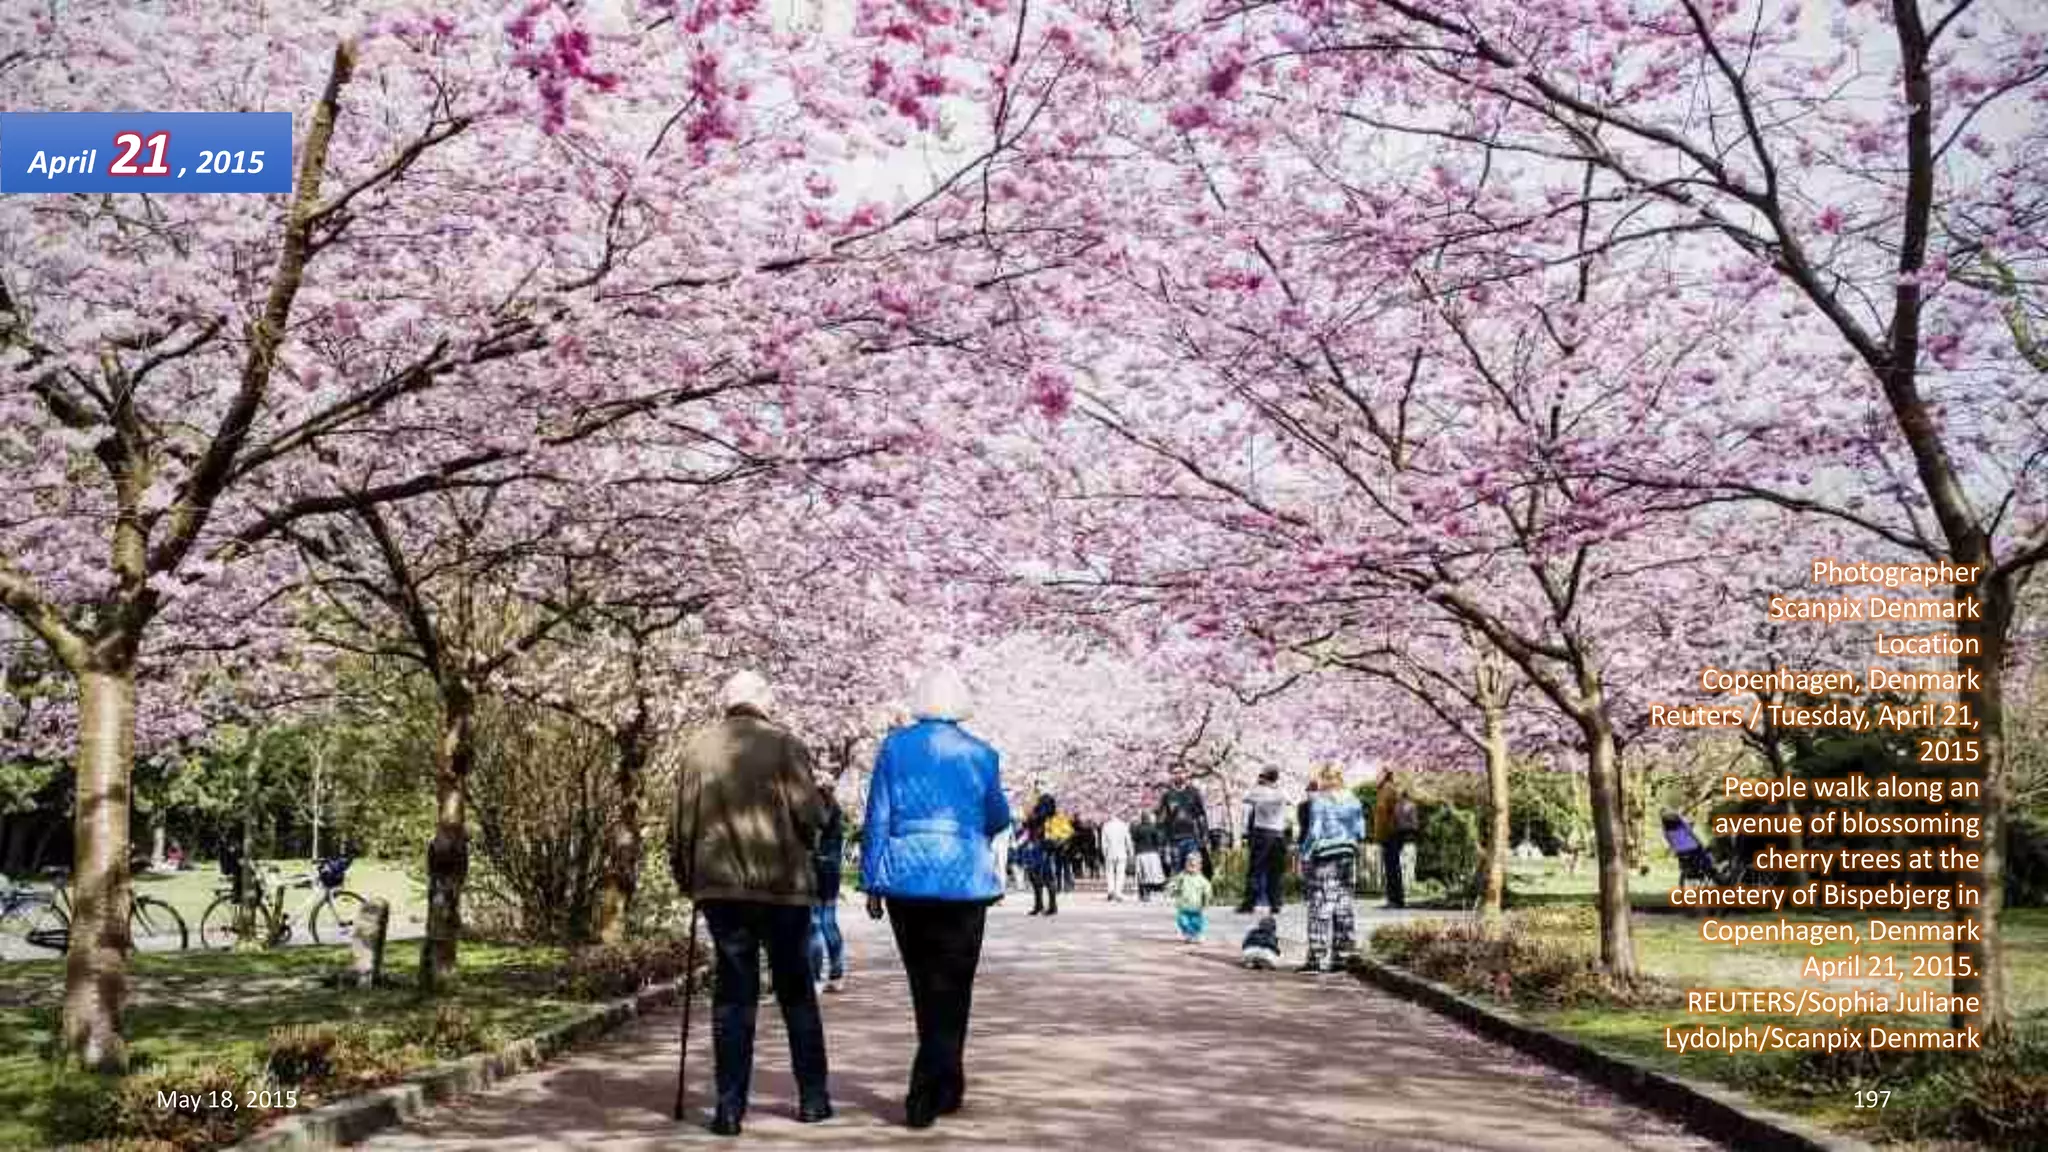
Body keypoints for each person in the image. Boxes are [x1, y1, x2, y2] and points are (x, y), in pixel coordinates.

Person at [668, 670, 832, 1136]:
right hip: (783, 889)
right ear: (762, 702)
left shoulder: (697, 748)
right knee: (795, 990)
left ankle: (729, 1109)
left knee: (733, 996)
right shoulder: (786, 745)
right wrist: (822, 805)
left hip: (721, 889)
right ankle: (814, 1100)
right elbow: (811, 817)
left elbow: (678, 826)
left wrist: (688, 879)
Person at [861, 666, 1011, 1130]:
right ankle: (930, 1089)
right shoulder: (982, 754)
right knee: (956, 985)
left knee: (924, 987)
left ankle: (944, 1079)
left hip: (906, 877)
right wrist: (969, 832)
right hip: (964, 880)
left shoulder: (893, 748)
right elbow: (998, 815)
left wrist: (871, 880)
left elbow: (877, 816)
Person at [1299, 763, 1365, 974]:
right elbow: (1360, 830)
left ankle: (1316, 958)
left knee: (1320, 905)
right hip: (1347, 855)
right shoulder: (1354, 801)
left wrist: (1305, 854)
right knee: (1343, 905)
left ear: (1325, 778)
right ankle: (1341, 957)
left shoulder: (1320, 801)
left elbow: (1315, 831)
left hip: (1325, 857)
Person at [809, 771, 848, 993]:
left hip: (814, 873)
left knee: (814, 924)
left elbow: (810, 845)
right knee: (828, 922)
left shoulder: (816, 817)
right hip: (831, 874)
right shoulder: (836, 814)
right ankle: (837, 974)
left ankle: (815, 977)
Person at [1238, 767, 1289, 914]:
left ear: (1265, 778)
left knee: (1255, 870)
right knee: (1276, 871)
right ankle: (1276, 903)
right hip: (1278, 833)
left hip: (1262, 832)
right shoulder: (1282, 792)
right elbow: (1290, 801)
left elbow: (1245, 797)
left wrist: (1258, 785)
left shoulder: (1258, 791)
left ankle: (1249, 904)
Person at [1372, 768, 1418, 910]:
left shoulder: (1388, 789)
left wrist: (1391, 829)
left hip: (1391, 833)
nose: (1376, 776)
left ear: (1385, 775)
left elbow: (1392, 811)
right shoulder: (1383, 790)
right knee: (1391, 867)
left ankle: (1396, 900)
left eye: (1378, 773)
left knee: (1392, 868)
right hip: (1387, 834)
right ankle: (1394, 899)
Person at [1156, 771, 1210, 874]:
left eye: (1181, 772)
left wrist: (1205, 837)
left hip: (1192, 839)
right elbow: (1161, 821)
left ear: (1186, 774)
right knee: (1177, 871)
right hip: (1175, 840)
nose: (1179, 775)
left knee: (1194, 869)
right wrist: (1162, 844)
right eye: (1175, 773)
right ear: (1172, 776)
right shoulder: (1167, 796)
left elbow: (1201, 816)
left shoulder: (1194, 793)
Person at [1023, 785, 1061, 916]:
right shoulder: (1052, 814)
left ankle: (1041, 905)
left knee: (1037, 875)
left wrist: (1030, 814)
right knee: (1046, 876)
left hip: (1039, 845)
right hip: (1047, 846)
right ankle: (1049, 905)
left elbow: (1028, 824)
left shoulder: (1040, 813)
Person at [1164, 853, 1212, 943]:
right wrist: (1170, 890)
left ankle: (1198, 934)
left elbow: (1207, 889)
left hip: (1197, 905)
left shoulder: (1201, 879)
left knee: (1198, 922)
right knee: (1182, 921)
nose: (1191, 866)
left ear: (1199, 866)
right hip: (1183, 905)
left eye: (1194, 865)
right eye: (1189, 864)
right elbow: (1174, 884)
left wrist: (1206, 901)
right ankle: (1188, 934)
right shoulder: (1182, 876)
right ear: (1185, 864)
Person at [1132, 812, 1167, 901]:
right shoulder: (1153, 828)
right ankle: (1152, 891)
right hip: (1152, 852)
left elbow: (1134, 839)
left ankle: (1143, 893)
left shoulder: (1138, 828)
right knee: (1152, 874)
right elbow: (1158, 840)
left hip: (1141, 853)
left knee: (1142, 874)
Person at [1100, 812, 1133, 902]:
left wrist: (1104, 853)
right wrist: (1131, 852)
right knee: (1120, 873)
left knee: (1109, 873)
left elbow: (1103, 843)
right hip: (1122, 853)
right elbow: (1128, 840)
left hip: (1110, 853)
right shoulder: (1123, 826)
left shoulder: (1106, 826)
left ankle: (1110, 891)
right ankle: (1118, 892)